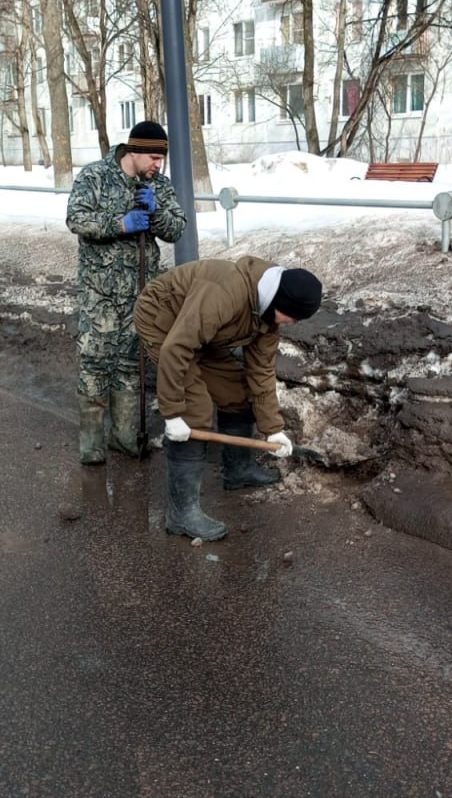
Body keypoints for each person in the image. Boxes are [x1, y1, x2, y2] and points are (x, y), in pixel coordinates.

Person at [134, 256, 323, 540]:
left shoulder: (267, 315)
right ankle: (181, 514)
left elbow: (261, 371)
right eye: (293, 316)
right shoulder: (224, 293)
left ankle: (238, 470)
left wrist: (274, 430)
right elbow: (177, 348)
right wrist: (173, 414)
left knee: (236, 393)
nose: (293, 323)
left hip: (205, 333)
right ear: (279, 302)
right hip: (163, 321)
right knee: (193, 409)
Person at [66, 120, 187, 463]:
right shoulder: (95, 177)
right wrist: (120, 223)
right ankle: (91, 444)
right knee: (95, 364)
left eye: (161, 158)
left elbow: (177, 228)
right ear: (134, 150)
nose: (157, 164)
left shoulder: (157, 185)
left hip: (141, 294)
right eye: (152, 157)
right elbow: (76, 219)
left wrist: (156, 211)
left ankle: (124, 437)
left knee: (131, 366)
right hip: (99, 295)